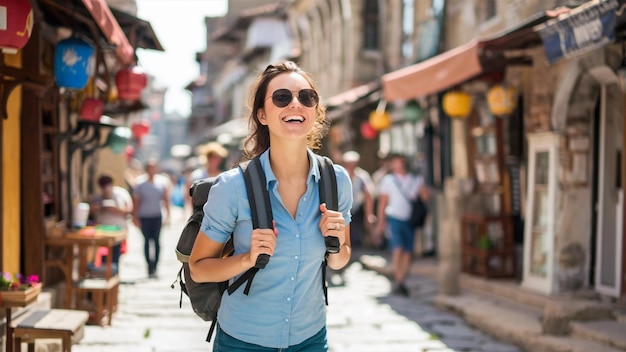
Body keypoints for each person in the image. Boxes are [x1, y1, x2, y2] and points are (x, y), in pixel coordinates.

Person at [189, 61, 353, 351]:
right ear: (262, 115)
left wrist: (338, 243)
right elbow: (199, 269)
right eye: (282, 97)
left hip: (311, 339)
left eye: (306, 97)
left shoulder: (336, 180)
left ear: (315, 112)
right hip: (242, 341)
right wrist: (247, 258)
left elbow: (340, 260)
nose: (295, 104)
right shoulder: (232, 187)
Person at [374, 153, 426, 297]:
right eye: (397, 162)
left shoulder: (415, 180)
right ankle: (398, 278)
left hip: (410, 219)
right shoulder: (388, 181)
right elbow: (383, 203)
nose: (400, 165)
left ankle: (402, 278)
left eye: (402, 162)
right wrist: (380, 223)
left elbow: (424, 197)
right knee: (397, 248)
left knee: (408, 251)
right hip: (394, 217)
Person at [133, 158, 171, 278]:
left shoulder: (162, 182)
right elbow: (136, 202)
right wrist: (135, 217)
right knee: (146, 242)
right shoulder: (140, 184)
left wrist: (168, 215)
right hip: (144, 216)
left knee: (157, 241)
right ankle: (148, 266)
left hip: (156, 216)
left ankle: (155, 266)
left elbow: (166, 200)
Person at [88, 173, 133, 272]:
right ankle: (107, 274)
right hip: (102, 232)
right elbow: (90, 214)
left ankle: (113, 274)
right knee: (104, 255)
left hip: (118, 231)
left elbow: (128, 211)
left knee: (115, 254)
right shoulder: (97, 197)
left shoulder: (121, 194)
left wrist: (112, 209)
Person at [342, 151, 376, 249]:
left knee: (356, 233)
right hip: (343, 208)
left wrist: (369, 214)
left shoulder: (362, 176)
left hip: (357, 208)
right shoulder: (341, 174)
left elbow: (368, 194)